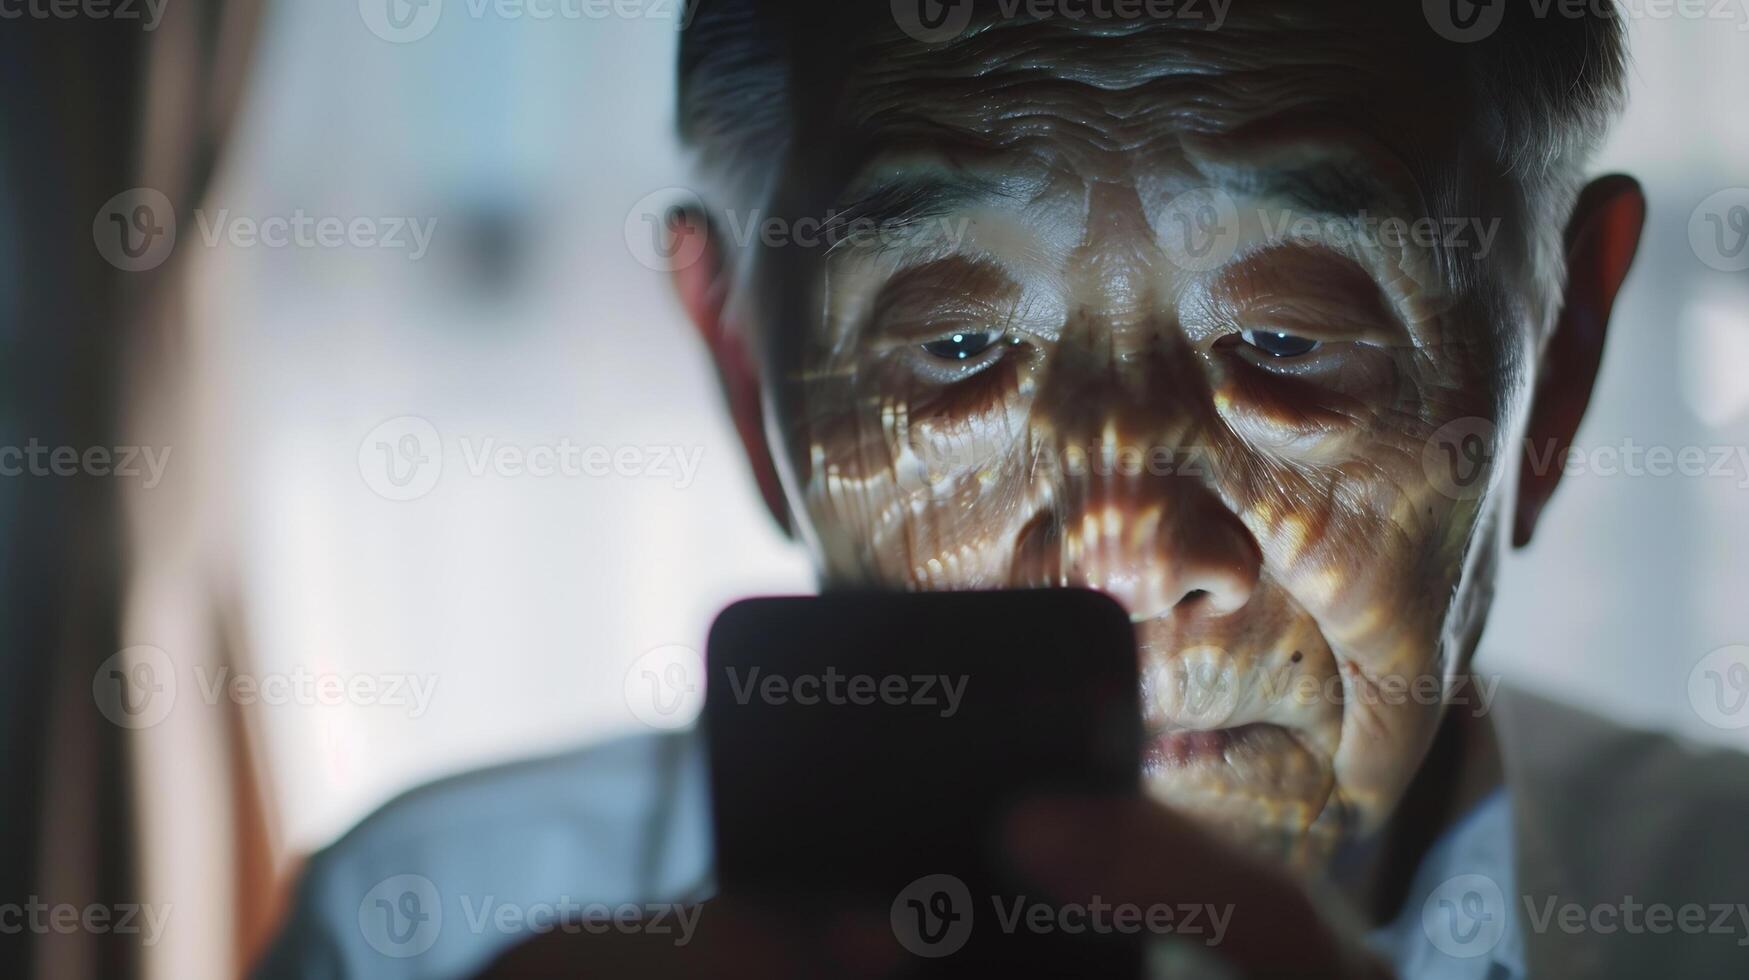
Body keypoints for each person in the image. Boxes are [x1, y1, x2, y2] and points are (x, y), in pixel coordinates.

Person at [255, 2, 1749, 977]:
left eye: (1286, 342)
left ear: (1558, 367)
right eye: (959, 347)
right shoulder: (427, 924)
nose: (1122, 556)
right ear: (739, 370)